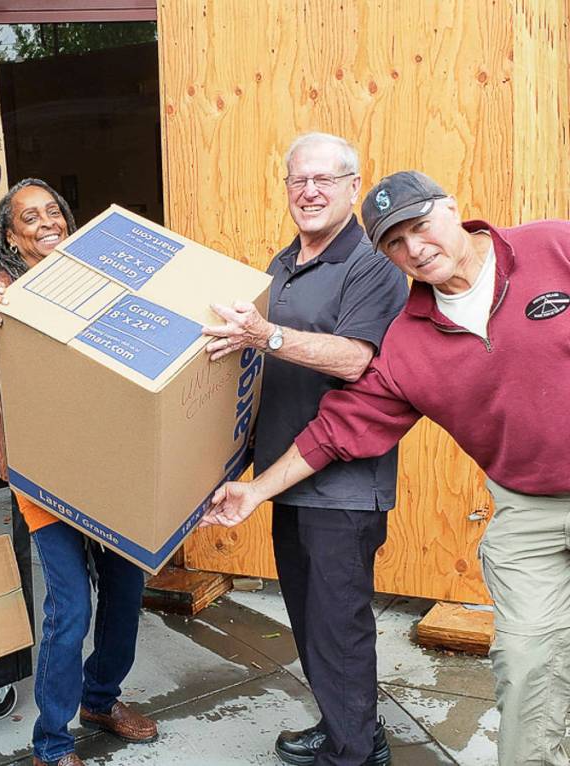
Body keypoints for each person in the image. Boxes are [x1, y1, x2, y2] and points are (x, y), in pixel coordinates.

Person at [203, 170, 570, 766]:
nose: (415, 248)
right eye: (395, 243)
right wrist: (254, 491)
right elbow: (337, 430)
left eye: (421, 225)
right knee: (528, 666)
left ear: (452, 208)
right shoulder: (408, 343)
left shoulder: (552, 246)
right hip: (526, 508)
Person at [201, 133, 407, 766]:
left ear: (353, 187)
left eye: (326, 180)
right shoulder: (281, 265)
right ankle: (348, 724)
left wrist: (266, 334)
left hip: (343, 485)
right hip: (286, 478)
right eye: (298, 181)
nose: (310, 192)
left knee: (339, 628)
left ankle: (352, 755)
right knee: (311, 620)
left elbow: (356, 358)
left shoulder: (373, 268)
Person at [0, 178, 158, 766]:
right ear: (9, 235)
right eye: (30, 217)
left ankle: (101, 698)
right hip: (44, 473)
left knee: (126, 592)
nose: (46, 222)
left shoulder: (100, 275)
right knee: (70, 606)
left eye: (54, 212)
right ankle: (52, 743)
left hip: (108, 465)